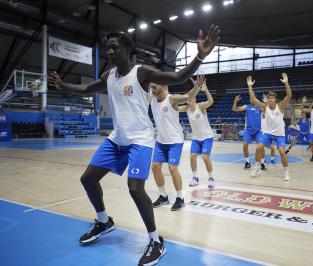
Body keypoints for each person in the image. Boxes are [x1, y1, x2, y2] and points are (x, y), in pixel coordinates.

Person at [48, 25, 220, 266]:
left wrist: (200, 55)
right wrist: (65, 86)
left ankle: (155, 241)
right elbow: (88, 88)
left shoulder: (142, 73)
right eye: (107, 49)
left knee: (135, 188)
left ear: (128, 49)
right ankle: (103, 221)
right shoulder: (109, 76)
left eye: (114, 48)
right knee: (87, 179)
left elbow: (178, 77)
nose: (109, 52)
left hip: (140, 139)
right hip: (117, 139)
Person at [150, 76, 205, 211]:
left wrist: (197, 87)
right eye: (151, 87)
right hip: (160, 141)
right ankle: (163, 196)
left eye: (154, 87)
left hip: (175, 141)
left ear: (163, 86)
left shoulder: (171, 99)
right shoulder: (152, 100)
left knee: (172, 168)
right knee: (155, 167)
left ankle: (180, 198)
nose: (152, 90)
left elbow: (187, 96)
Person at [247, 73, 292, 181]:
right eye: (269, 98)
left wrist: (286, 83)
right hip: (267, 133)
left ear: (275, 99)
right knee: (258, 147)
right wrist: (250, 86)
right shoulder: (264, 106)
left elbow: (289, 95)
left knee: (281, 152)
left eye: (272, 98)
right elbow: (253, 98)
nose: (270, 99)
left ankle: (286, 172)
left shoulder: (280, 106)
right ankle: (257, 167)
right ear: (267, 100)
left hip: (279, 134)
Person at [179, 80, 216, 188]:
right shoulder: (186, 109)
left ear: (194, 99)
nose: (187, 102)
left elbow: (211, 101)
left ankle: (211, 178)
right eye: (187, 101)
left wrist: (206, 90)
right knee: (192, 157)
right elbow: (175, 107)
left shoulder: (200, 106)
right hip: (196, 138)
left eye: (189, 100)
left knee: (205, 157)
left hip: (207, 137)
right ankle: (195, 178)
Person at [231, 95, 265, 170]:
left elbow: (267, 110)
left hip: (258, 131)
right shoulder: (247, 106)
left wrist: (265, 102)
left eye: (253, 98)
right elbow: (234, 109)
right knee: (245, 145)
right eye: (250, 98)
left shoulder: (260, 107)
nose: (251, 99)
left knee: (260, 147)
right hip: (248, 131)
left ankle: (262, 163)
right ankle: (247, 162)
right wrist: (235, 101)